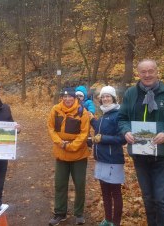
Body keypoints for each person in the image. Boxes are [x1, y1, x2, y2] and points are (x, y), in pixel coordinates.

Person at [118, 59, 164, 226]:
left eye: (151, 71)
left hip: (163, 155)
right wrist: (126, 131)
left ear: (157, 71)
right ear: (138, 73)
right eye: (143, 71)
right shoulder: (130, 94)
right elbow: (122, 118)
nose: (147, 75)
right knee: (148, 198)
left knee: (162, 199)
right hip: (140, 155)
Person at [47, 87, 91, 226]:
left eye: (70, 97)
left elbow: (84, 133)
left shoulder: (82, 112)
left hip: (79, 155)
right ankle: (60, 213)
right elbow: (51, 128)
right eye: (65, 97)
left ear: (75, 98)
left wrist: (70, 146)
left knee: (79, 185)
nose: (67, 99)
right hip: (61, 155)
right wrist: (60, 143)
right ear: (62, 98)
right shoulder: (55, 110)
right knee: (60, 184)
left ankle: (79, 214)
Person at [90, 86, 126, 226]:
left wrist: (103, 138)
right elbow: (100, 129)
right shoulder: (104, 114)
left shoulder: (118, 114)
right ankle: (108, 220)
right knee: (105, 192)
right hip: (101, 159)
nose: (105, 99)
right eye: (103, 97)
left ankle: (116, 223)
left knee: (115, 193)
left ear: (113, 98)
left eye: (108, 96)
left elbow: (122, 139)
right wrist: (92, 120)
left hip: (113, 160)